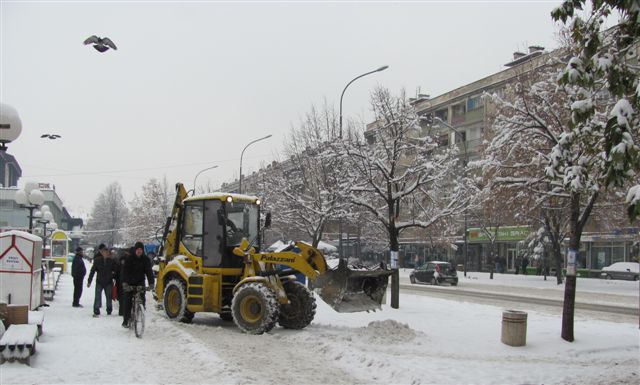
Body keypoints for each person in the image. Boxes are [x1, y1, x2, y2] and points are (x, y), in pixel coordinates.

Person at [121, 242, 154, 328]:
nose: (139, 251)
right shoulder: (129, 259)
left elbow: (149, 272)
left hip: (140, 282)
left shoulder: (146, 260)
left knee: (142, 298)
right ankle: (126, 320)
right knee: (128, 300)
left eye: (141, 250)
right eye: (138, 249)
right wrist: (125, 283)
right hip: (129, 282)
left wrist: (151, 283)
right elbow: (124, 272)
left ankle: (140, 311)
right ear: (135, 250)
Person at [87, 244, 118, 317]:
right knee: (97, 296)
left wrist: (113, 275)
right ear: (101, 252)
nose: (105, 253)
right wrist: (89, 281)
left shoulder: (111, 261)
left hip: (108, 281)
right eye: (104, 251)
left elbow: (116, 269)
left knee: (109, 297)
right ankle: (96, 310)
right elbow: (93, 271)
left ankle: (109, 309)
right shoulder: (97, 260)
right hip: (99, 281)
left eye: (106, 252)